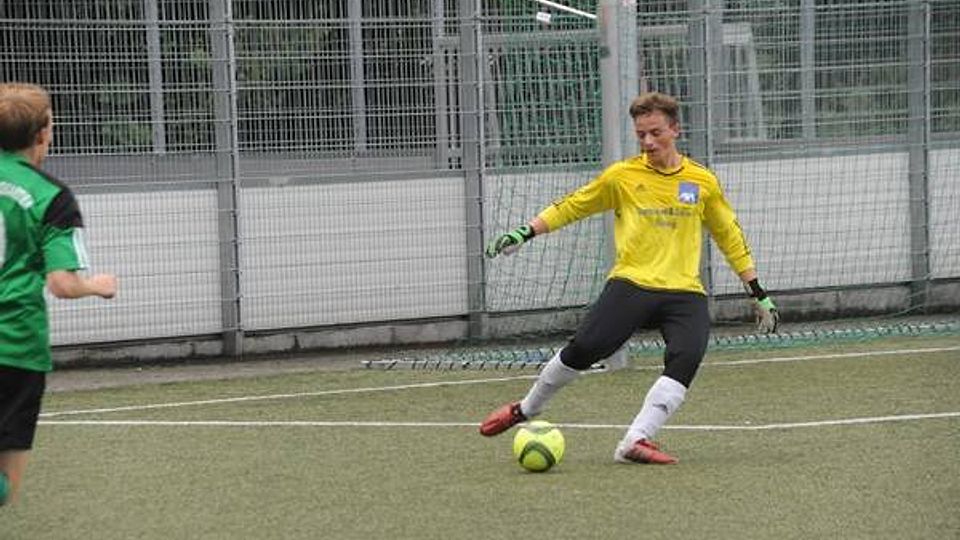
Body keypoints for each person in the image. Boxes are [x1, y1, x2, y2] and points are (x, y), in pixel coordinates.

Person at [479, 92, 778, 464]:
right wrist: (525, 232)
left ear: (675, 130)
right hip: (632, 283)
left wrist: (757, 291)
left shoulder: (702, 182)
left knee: (687, 356)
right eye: (641, 135)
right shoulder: (622, 176)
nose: (648, 142)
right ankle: (526, 408)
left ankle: (636, 440)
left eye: (655, 133)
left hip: (684, 290)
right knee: (584, 350)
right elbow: (572, 206)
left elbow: (729, 236)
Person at [0, 82, 118, 505]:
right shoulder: (52, 196)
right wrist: (96, 285)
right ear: (42, 134)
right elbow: (62, 283)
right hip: (14, 346)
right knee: (4, 485)